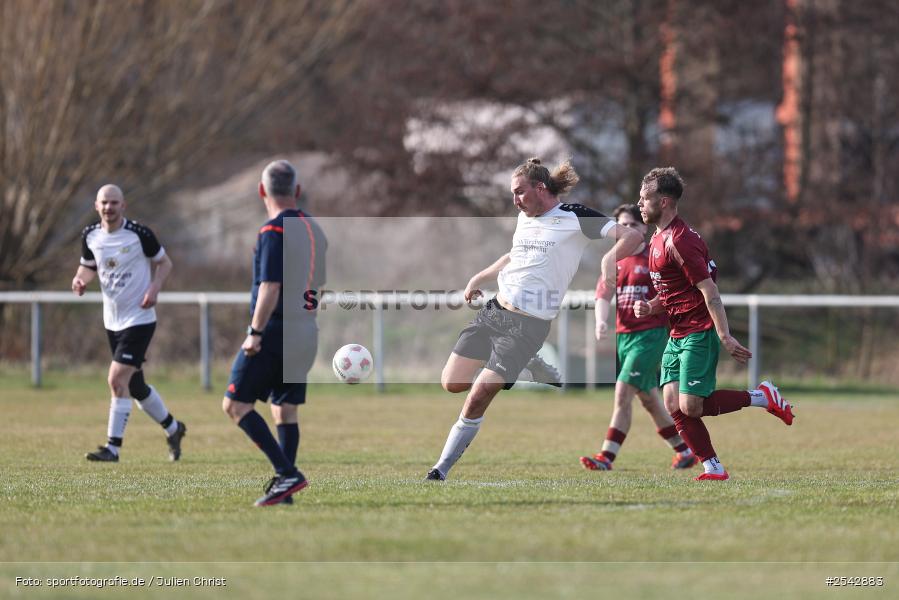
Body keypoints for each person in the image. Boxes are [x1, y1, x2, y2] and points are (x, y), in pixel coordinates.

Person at [425, 158, 642, 481]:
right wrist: (478, 278)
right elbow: (514, 255)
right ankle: (529, 365)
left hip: (527, 327)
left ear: (540, 188)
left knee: (478, 396)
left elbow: (632, 237)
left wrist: (610, 258)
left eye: (519, 192)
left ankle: (439, 470)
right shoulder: (524, 217)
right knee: (452, 383)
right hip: (494, 313)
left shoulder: (575, 217)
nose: (515, 200)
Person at [634, 167, 794, 481]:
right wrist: (650, 306)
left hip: (698, 331)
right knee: (672, 403)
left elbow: (710, 291)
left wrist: (725, 335)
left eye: (645, 199)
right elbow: (673, 292)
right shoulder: (656, 239)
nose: (639, 204)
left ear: (664, 202)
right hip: (677, 333)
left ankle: (761, 396)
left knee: (691, 406)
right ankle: (713, 468)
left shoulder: (679, 241)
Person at [222, 159, 327, 507]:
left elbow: (270, 286)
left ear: (261, 191)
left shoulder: (273, 230)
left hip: (276, 332)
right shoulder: (315, 230)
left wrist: (255, 331)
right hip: (305, 330)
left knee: (236, 404)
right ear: (296, 191)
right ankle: (285, 491)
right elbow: (318, 287)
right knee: (285, 410)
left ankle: (287, 474)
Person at [72, 184, 186, 462]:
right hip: (112, 321)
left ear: (123, 206)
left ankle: (113, 448)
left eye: (114, 202)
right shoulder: (90, 235)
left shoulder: (139, 234)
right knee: (135, 387)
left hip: (140, 318)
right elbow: (88, 266)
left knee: (115, 379)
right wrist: (80, 280)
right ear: (96, 207)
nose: (109, 207)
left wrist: (154, 288)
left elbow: (165, 263)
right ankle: (174, 428)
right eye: (104, 203)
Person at [580, 204, 698, 472]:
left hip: (651, 335)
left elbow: (675, 293)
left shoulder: (654, 258)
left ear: (643, 228)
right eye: (623, 226)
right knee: (649, 399)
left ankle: (606, 457)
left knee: (622, 392)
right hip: (625, 337)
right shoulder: (615, 261)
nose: (628, 231)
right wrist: (600, 320)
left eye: (633, 226)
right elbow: (603, 294)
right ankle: (684, 451)